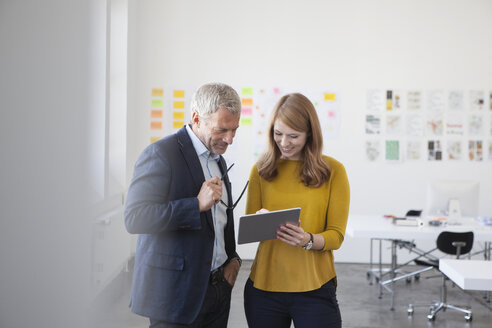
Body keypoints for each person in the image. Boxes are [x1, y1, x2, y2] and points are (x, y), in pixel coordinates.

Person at [124, 82, 243, 328]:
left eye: (235, 130)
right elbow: (135, 217)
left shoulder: (216, 157)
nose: (230, 139)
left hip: (217, 291)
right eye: (222, 129)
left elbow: (221, 218)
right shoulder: (160, 153)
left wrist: (233, 259)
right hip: (174, 295)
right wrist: (195, 205)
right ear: (197, 118)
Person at [243, 93, 350, 328]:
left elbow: (336, 235)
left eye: (293, 136)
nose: (284, 143)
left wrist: (308, 240)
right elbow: (248, 230)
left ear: (310, 134)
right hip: (264, 288)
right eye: (278, 134)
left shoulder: (334, 171)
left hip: (315, 288)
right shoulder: (260, 170)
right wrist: (259, 223)